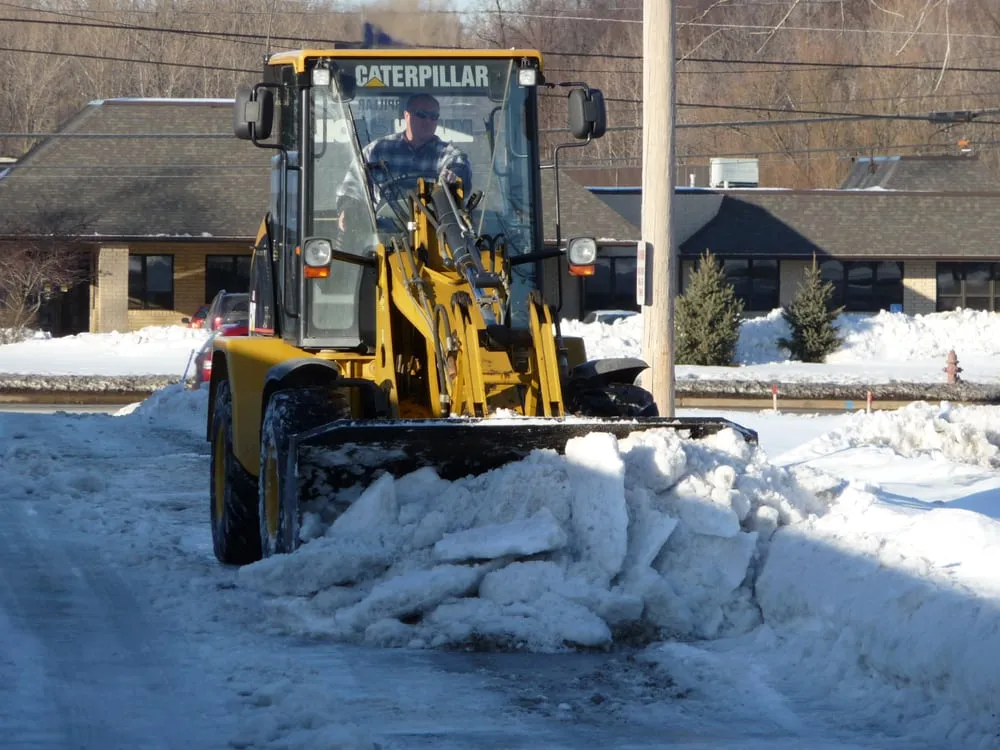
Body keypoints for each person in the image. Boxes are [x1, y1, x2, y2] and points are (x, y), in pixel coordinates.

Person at [337, 93, 471, 231]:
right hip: (382, 237)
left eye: (433, 117)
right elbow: (352, 187)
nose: (428, 121)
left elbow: (458, 168)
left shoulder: (447, 153)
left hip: (436, 236)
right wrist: (348, 209)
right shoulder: (376, 151)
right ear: (406, 116)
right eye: (422, 115)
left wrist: (453, 176)